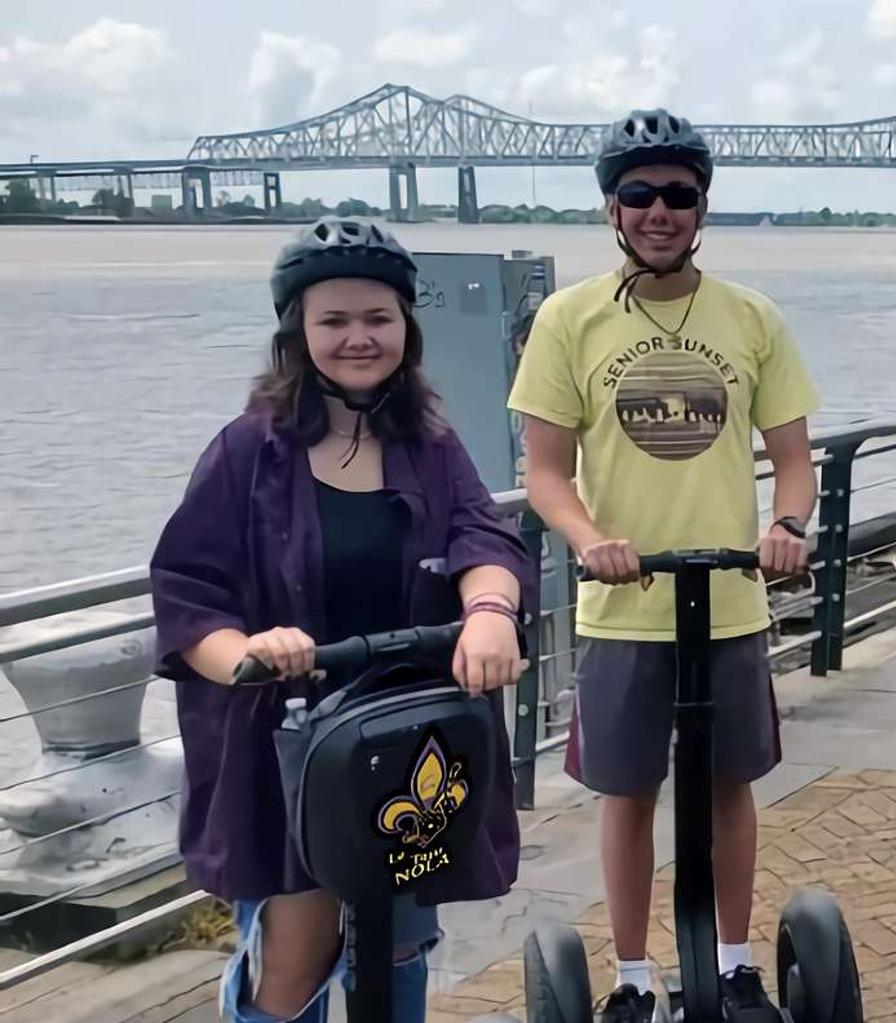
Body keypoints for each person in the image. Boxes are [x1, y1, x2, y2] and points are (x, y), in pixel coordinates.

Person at [149, 216, 534, 1023]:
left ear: (405, 327)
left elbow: (481, 533)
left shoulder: (428, 443)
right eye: (334, 320)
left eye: (377, 318)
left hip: (404, 734)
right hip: (289, 747)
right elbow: (189, 589)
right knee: (296, 955)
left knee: (397, 944)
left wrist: (492, 610)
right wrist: (249, 652)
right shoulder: (248, 451)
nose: (358, 338)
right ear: (298, 333)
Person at [508, 108, 817, 1023]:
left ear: (702, 207)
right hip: (621, 607)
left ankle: (731, 965)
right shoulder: (569, 320)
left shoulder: (751, 317)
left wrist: (789, 524)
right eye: (639, 194)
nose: (659, 211)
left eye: (678, 195)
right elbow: (543, 471)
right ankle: (635, 976)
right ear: (611, 207)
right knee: (628, 793)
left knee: (729, 785)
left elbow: (794, 457)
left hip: (728, 599)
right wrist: (586, 536)